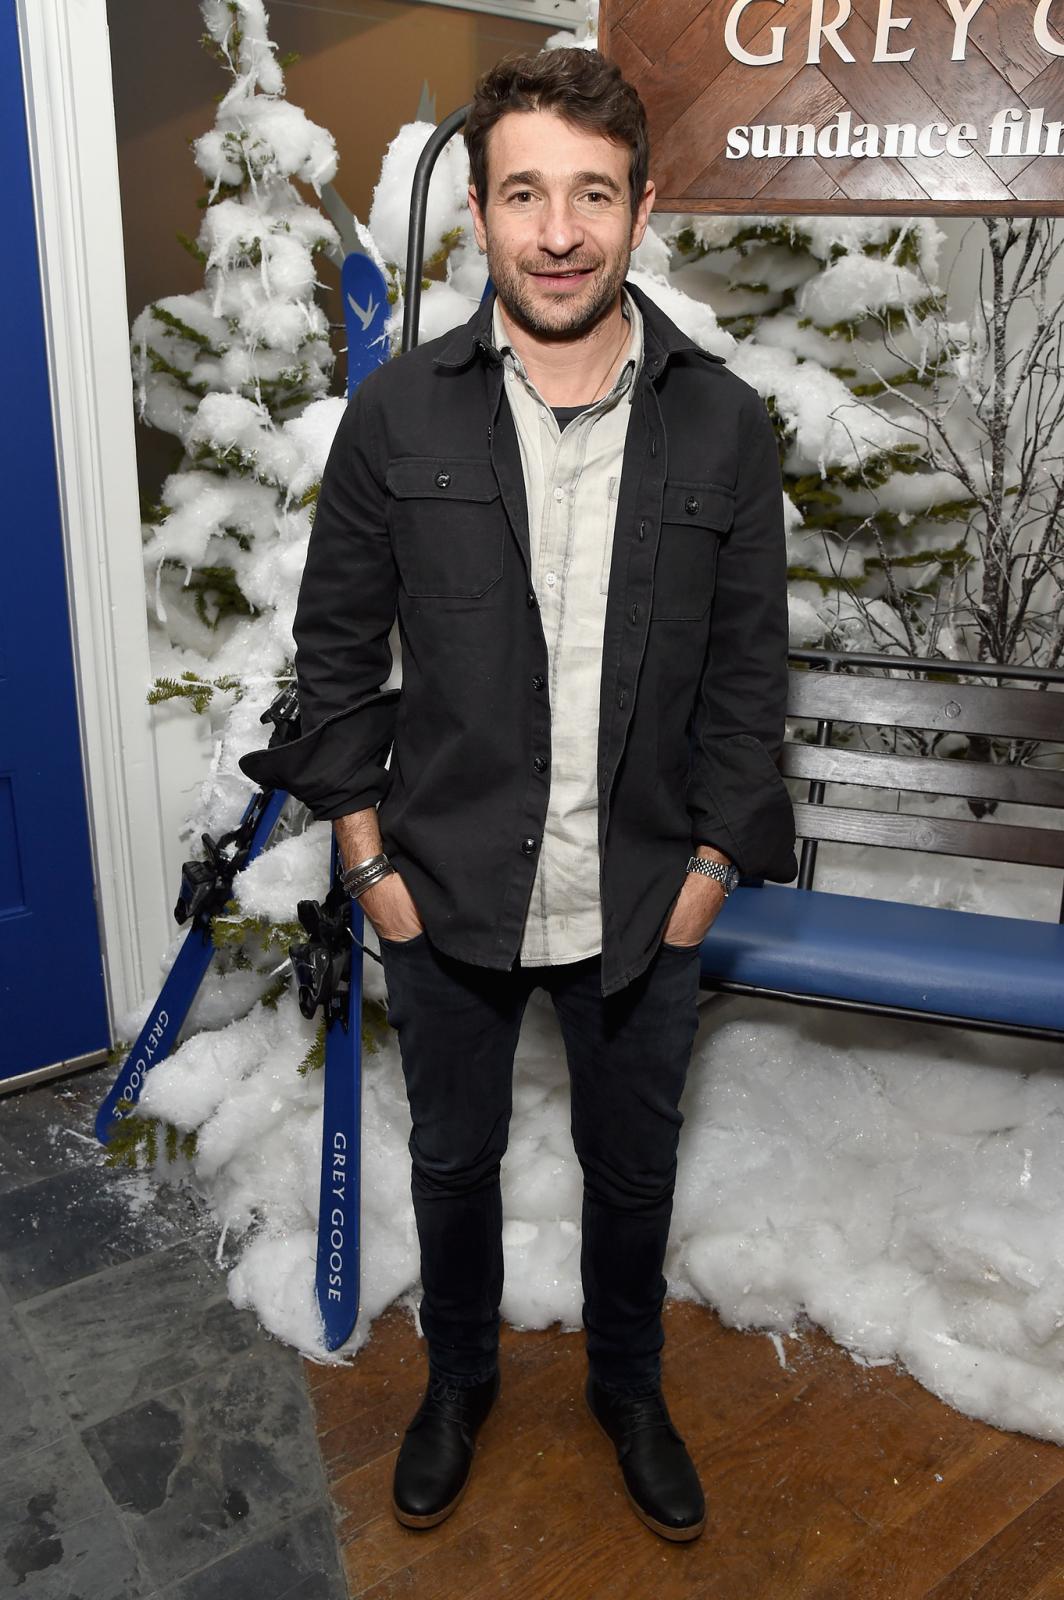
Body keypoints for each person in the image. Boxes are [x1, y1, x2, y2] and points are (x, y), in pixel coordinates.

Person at [241, 46, 797, 1544]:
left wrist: (709, 871)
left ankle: (631, 1388)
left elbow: (750, 678)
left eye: (593, 195)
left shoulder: (724, 425)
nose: (559, 233)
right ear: (480, 211)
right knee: (451, 1162)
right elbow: (335, 654)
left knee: (633, 1172)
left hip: (644, 890)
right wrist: (369, 862)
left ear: (641, 208)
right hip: (443, 886)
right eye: (525, 194)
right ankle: (460, 1383)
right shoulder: (398, 418)